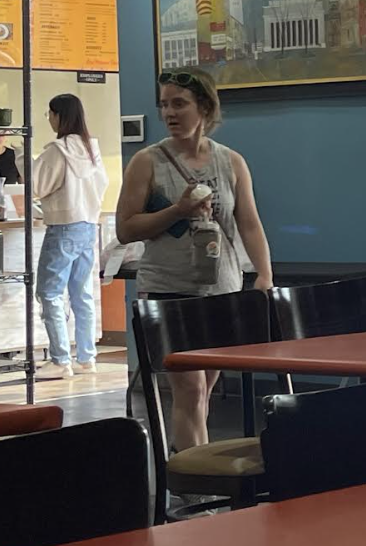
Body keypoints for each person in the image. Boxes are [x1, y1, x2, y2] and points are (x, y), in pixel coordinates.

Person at [116, 67, 272, 454]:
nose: (169, 113)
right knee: (190, 387)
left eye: (179, 104)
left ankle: (192, 462)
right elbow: (126, 228)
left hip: (220, 288)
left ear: (204, 107)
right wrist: (177, 210)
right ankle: (194, 474)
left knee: (204, 392)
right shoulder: (147, 162)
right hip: (169, 289)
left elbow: (249, 223)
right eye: (164, 105)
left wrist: (264, 274)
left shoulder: (231, 162)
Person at [34, 94, 109, 379]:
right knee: (81, 294)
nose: (50, 120)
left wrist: (22, 157)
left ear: (59, 116)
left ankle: (60, 360)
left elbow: (37, 185)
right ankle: (87, 357)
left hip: (63, 226)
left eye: (50, 114)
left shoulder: (58, 150)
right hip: (89, 225)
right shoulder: (92, 148)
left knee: (50, 293)